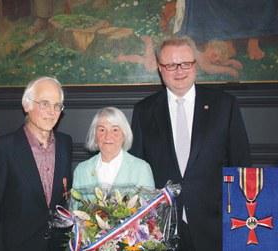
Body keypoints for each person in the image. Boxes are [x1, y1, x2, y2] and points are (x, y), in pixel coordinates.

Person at [130, 36, 251, 251]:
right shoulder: (143, 111)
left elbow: (241, 164)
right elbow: (138, 171)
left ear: (195, 65)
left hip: (216, 226)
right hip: (162, 229)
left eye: (186, 63)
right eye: (170, 65)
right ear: (159, 68)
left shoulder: (225, 105)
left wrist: (241, 221)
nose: (179, 71)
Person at [0, 76, 73, 250]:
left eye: (57, 106)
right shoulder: (3, 148)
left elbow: (63, 200)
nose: (52, 111)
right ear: (27, 105)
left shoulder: (65, 144)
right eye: (44, 104)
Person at [73, 107, 155, 199]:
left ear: (124, 135)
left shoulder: (141, 169)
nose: (108, 136)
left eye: (115, 130)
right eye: (102, 130)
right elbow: (75, 210)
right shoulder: (81, 171)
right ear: (95, 136)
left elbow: (150, 211)